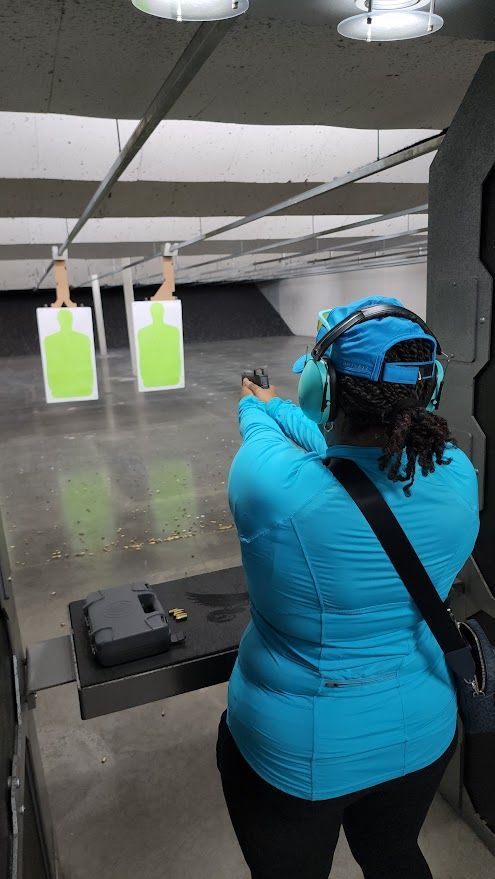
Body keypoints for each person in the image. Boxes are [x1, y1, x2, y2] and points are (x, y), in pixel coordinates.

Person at [217, 296, 479, 879]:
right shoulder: (458, 475)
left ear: (326, 388)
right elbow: (341, 454)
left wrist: (255, 405)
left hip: (298, 753)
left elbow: (268, 436)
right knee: (392, 853)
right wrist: (281, 404)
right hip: (422, 734)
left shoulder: (268, 487)